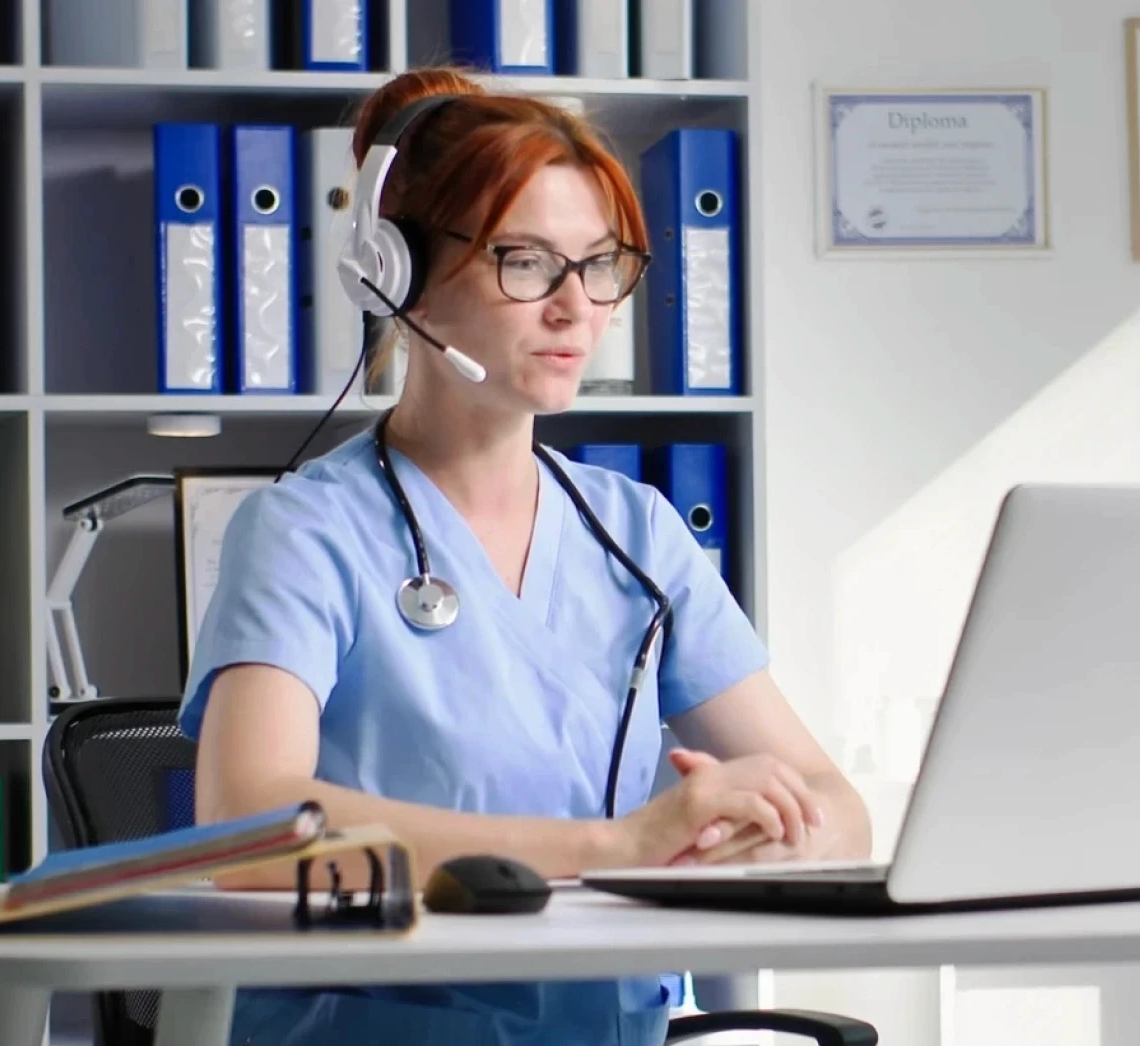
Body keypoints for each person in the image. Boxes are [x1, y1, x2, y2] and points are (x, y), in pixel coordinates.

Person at [177, 65, 872, 1046]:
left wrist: (756, 836)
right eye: (527, 261)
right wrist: (617, 847)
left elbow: (839, 810)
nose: (575, 307)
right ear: (395, 271)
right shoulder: (303, 533)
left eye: (601, 264)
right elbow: (249, 826)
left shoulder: (637, 534)